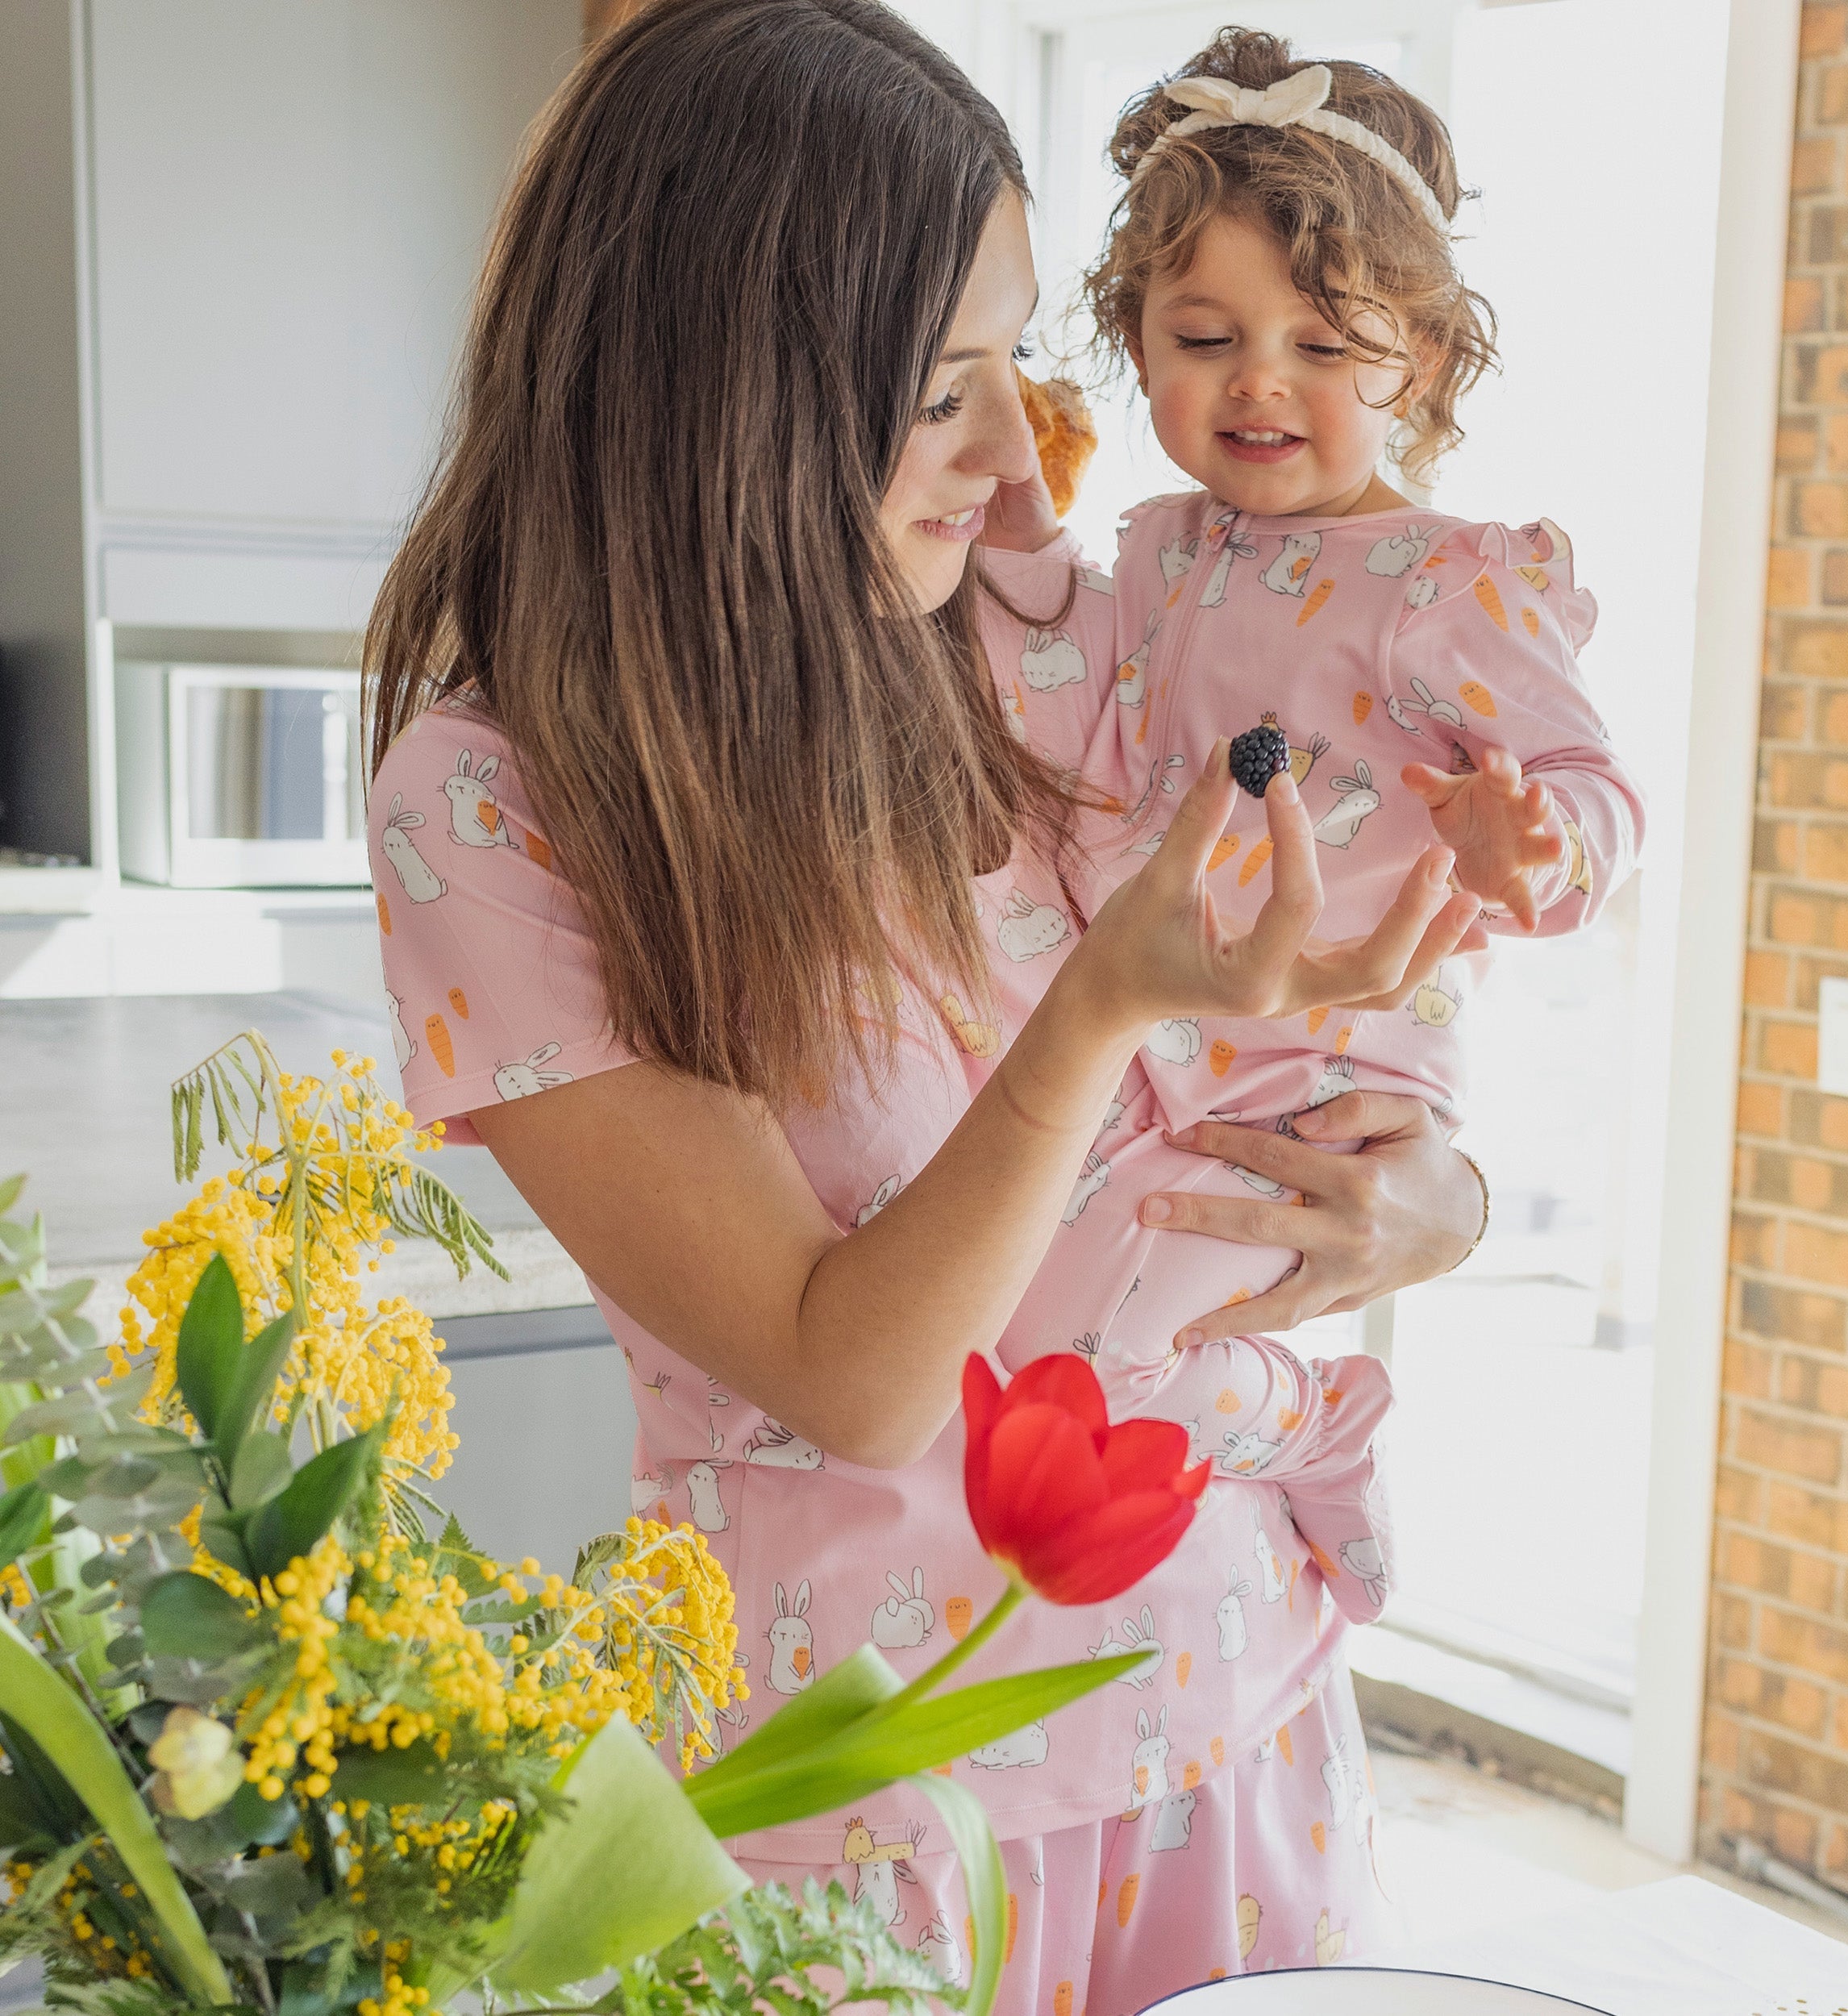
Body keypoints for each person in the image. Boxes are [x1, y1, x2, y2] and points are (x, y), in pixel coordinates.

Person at [365, 4, 1488, 2005]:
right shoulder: (495, 804)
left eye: (1016, 363)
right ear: (730, 388)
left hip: (1227, 1700)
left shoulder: (1015, 608)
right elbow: (853, 1373)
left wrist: (1436, 1198)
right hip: (885, 1794)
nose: (1011, 447)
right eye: (934, 386)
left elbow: (1307, 993)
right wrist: (1093, 1015)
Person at [972, 29, 1646, 1626]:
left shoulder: (1450, 581)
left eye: (1321, 341)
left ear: (1415, 358)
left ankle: (1314, 1421)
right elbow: (1051, 663)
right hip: (1145, 1046)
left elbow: (1598, 788)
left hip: (1316, 1082)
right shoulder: (1152, 547)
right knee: (1006, 1344)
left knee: (1084, 1365)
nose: (1255, 378)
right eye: (1202, 334)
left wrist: (1529, 844)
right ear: (1135, 346)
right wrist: (1001, 505)